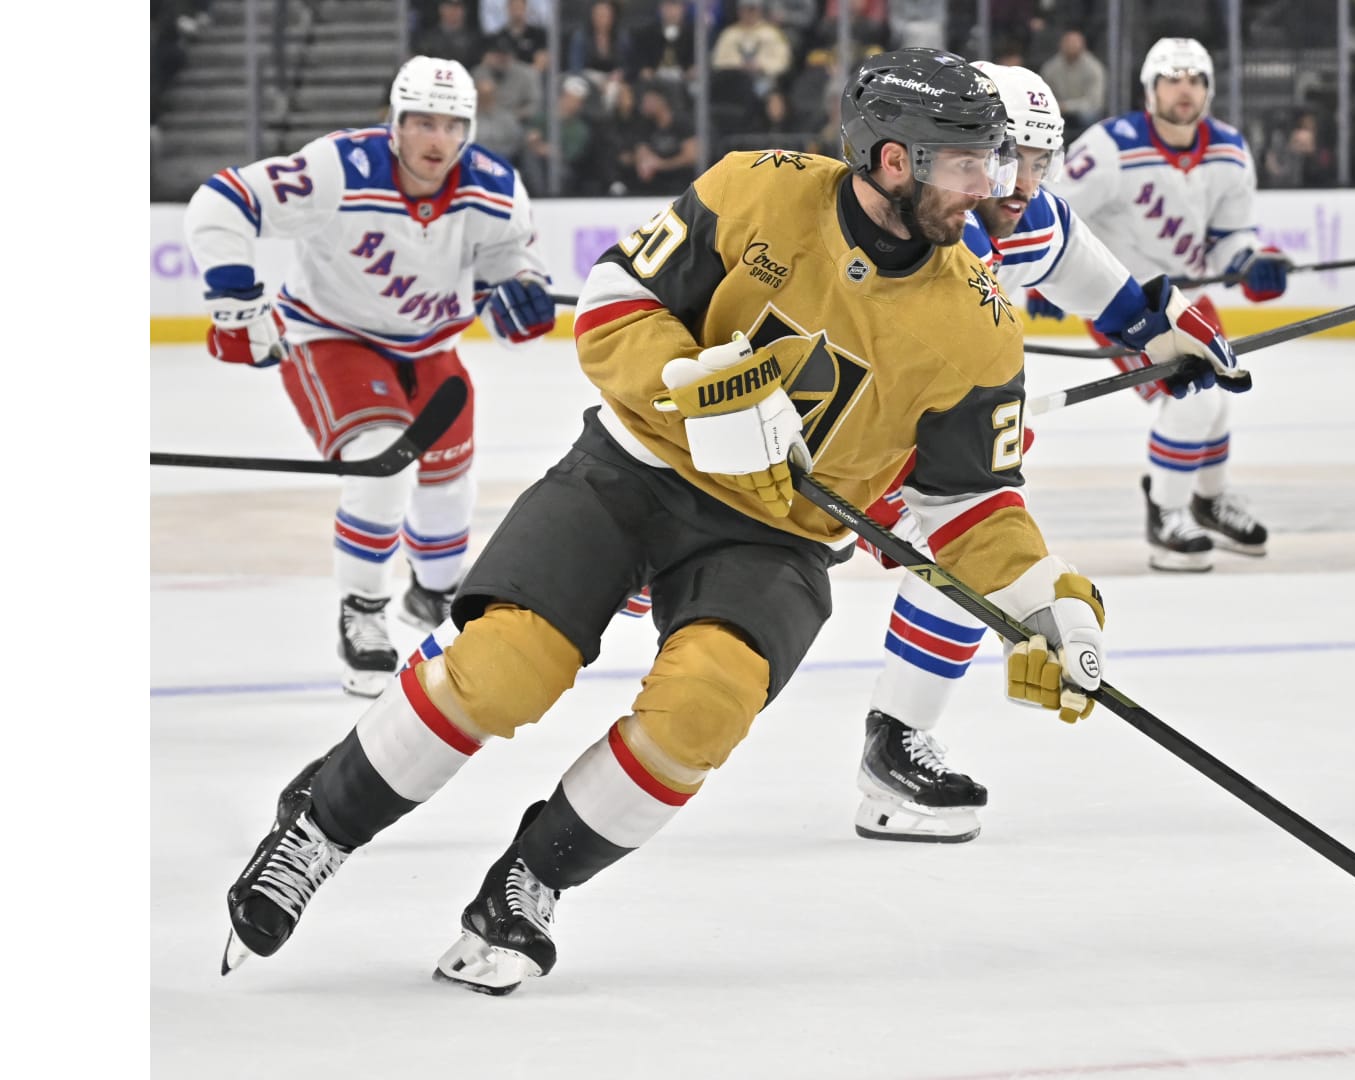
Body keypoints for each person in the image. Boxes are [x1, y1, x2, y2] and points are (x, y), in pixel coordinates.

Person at [219, 47, 1109, 997]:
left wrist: (1045, 601)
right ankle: (319, 826)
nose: (996, 186)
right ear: (895, 161)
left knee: (704, 709)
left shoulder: (979, 321)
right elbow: (615, 304)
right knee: (504, 665)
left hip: (778, 535)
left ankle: (531, 880)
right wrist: (693, 392)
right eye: (971, 164)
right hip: (634, 467)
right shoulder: (757, 189)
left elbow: (971, 501)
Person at [847, 60, 1247, 842]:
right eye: (1007, 156)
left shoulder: (1028, 219)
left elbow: (1119, 301)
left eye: (1040, 158)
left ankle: (893, 748)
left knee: (964, 551)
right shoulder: (915, 222)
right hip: (819, 435)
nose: (1024, 182)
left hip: (897, 444)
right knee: (669, 572)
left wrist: (1166, 337)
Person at [184, 57, 555, 697]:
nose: (436, 139)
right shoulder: (339, 168)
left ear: (468, 131)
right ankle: (362, 610)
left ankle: (433, 592)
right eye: (422, 122)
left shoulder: (495, 188)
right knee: (383, 464)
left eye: (451, 125)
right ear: (395, 122)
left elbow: (511, 269)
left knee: (449, 482)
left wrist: (522, 296)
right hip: (332, 338)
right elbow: (223, 200)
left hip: (431, 348)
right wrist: (235, 300)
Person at [1044, 37, 1287, 572]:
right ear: (1149, 90)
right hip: (1123, 298)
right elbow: (1052, 210)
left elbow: (1228, 236)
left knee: (1218, 395)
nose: (1184, 89)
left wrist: (1250, 260)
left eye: (1195, 79)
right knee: (1194, 400)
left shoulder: (1229, 149)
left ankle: (1209, 500)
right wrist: (1044, 278)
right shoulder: (1110, 146)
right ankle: (1167, 513)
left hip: (1187, 299)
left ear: (1209, 90)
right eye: (1172, 78)